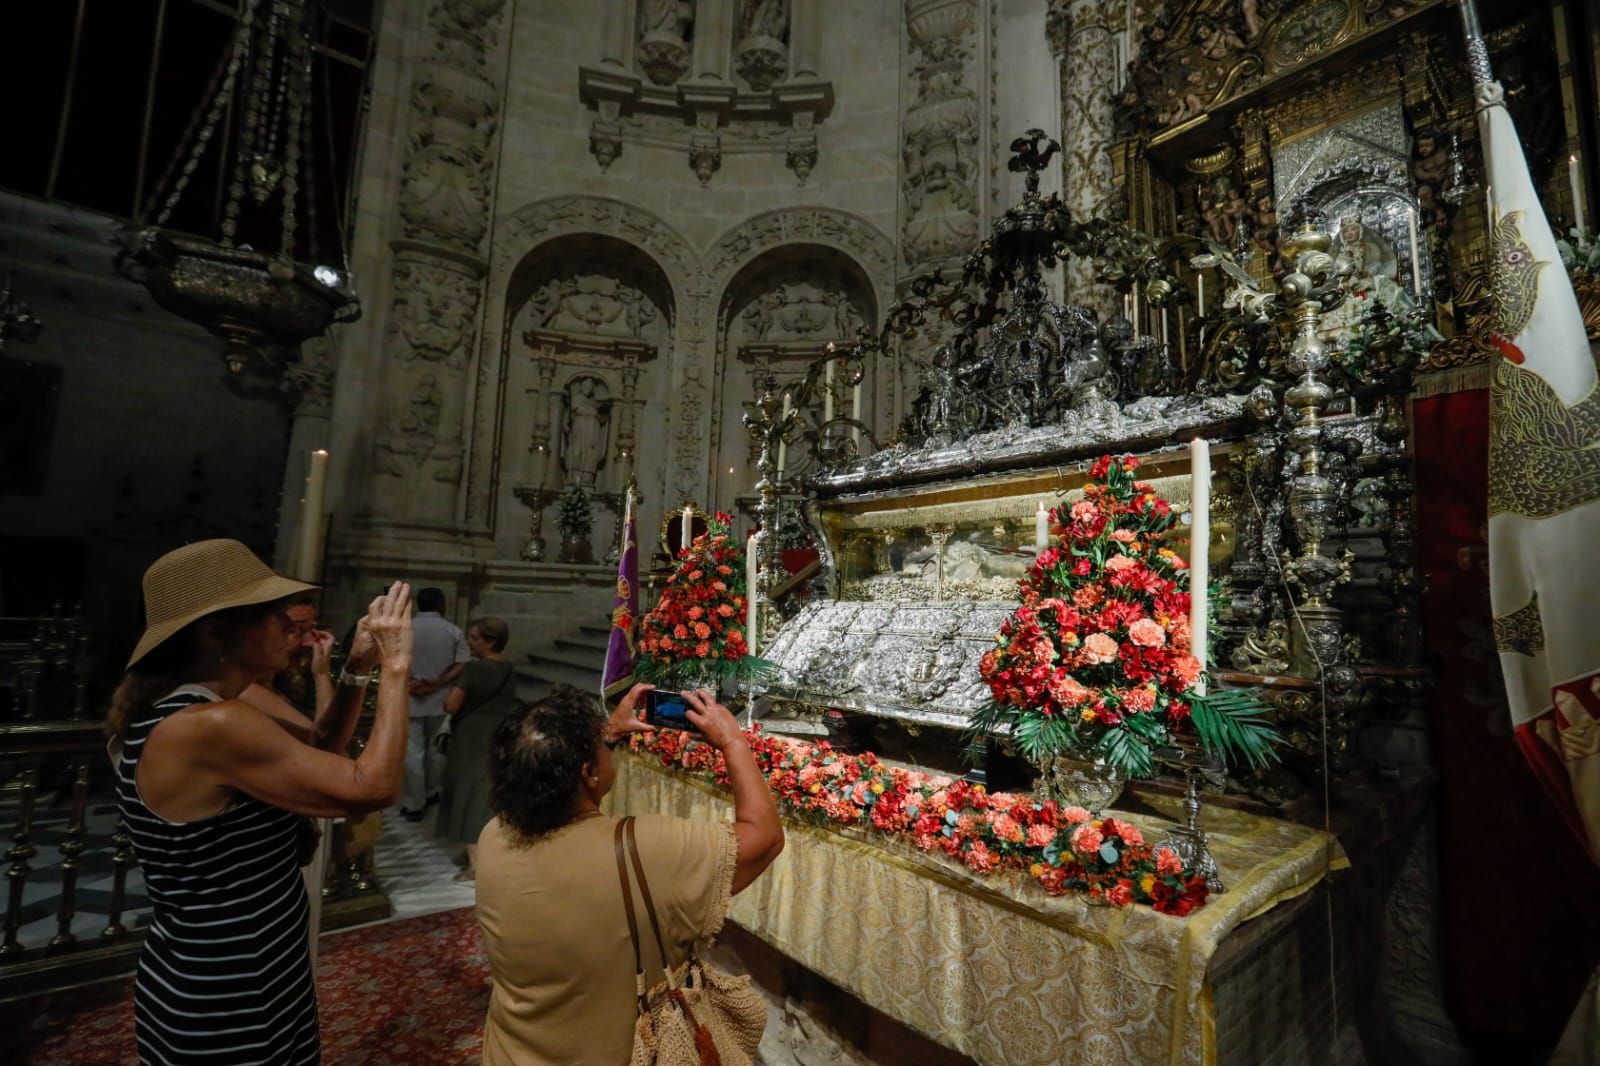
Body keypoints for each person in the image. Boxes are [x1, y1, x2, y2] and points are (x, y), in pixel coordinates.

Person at [106, 538, 413, 1064]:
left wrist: (356, 667)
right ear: (216, 632)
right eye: (272, 614)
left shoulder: (209, 705)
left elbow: (316, 753)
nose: (289, 628)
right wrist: (398, 666)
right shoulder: (214, 724)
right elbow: (372, 787)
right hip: (228, 988)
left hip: (248, 968)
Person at [475, 686, 784, 1065]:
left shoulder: (493, 835)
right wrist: (733, 742)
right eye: (599, 747)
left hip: (513, 1049)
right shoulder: (644, 849)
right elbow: (764, 837)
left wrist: (606, 736)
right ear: (588, 772)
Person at [435, 616, 518, 882]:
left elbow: (451, 705)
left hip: (470, 739)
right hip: (497, 736)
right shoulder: (508, 667)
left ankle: (475, 865)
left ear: (490, 641)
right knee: (486, 796)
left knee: (468, 797)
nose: (469, 643)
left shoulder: (473, 670)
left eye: (474, 638)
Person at [401, 587, 470, 820]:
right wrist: (438, 681)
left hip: (409, 695)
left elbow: (390, 658)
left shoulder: (404, 628)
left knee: (412, 752)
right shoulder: (453, 631)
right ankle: (432, 792)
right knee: (436, 750)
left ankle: (413, 803)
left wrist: (411, 683)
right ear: (441, 604)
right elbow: (462, 662)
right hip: (440, 698)